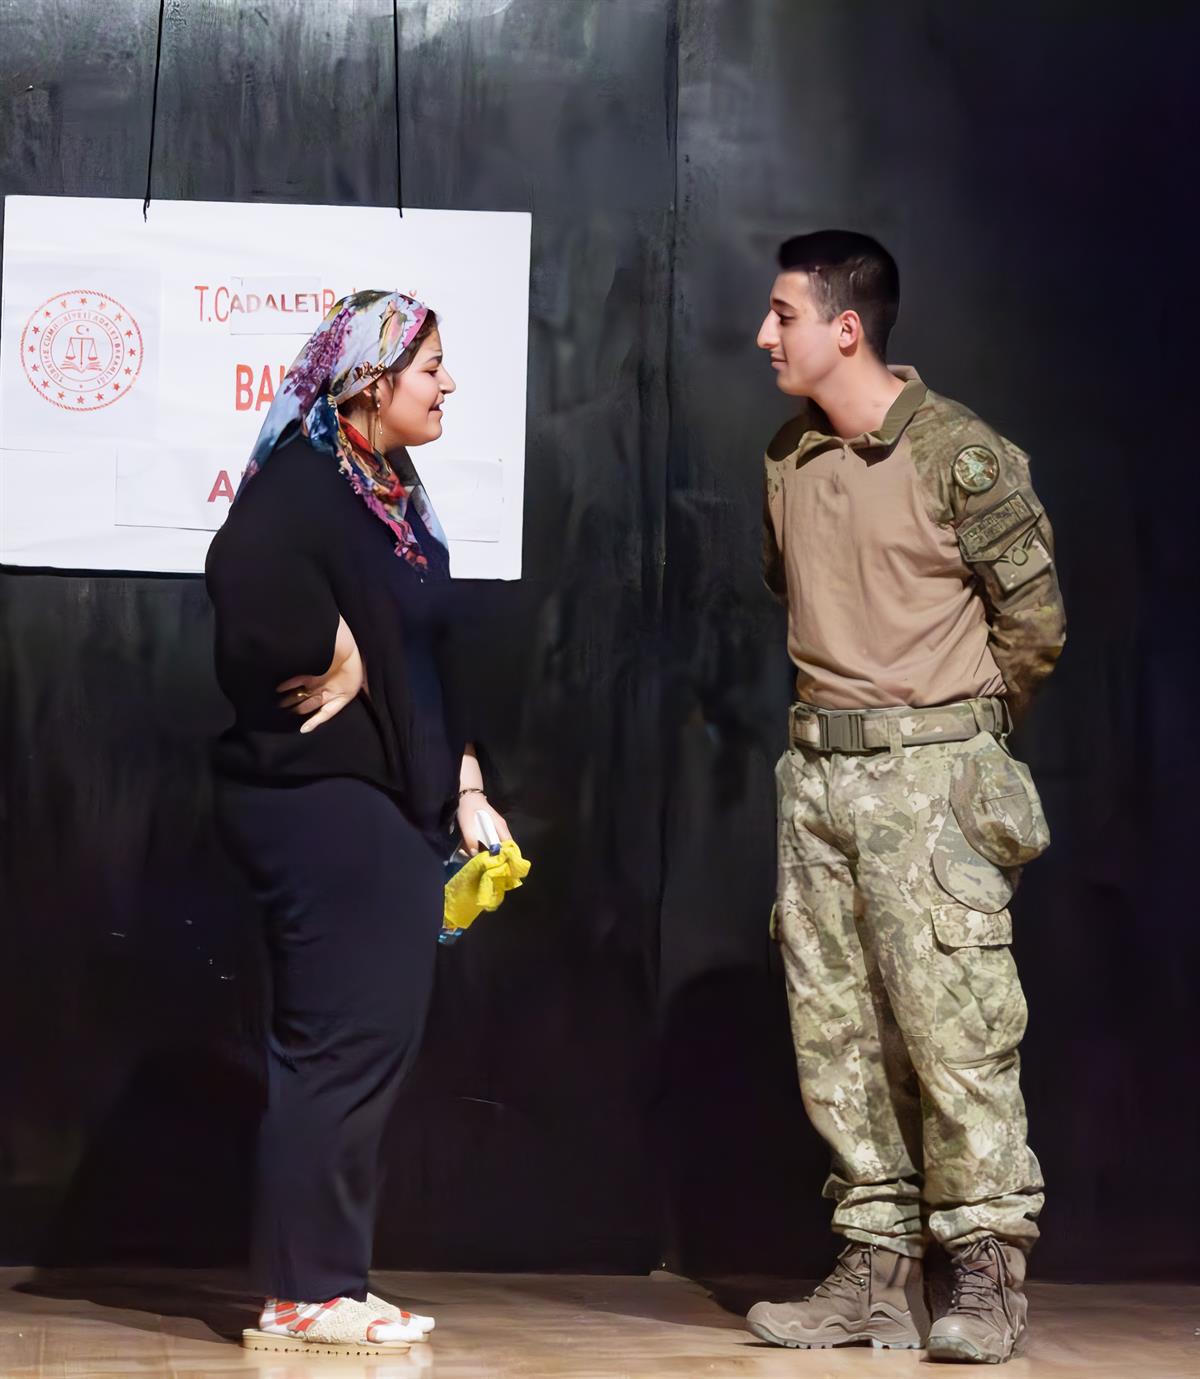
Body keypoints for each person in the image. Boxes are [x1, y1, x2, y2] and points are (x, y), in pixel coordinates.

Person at [745, 232, 1065, 1364]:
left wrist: (957, 738)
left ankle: (985, 1271)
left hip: (931, 776)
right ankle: (873, 1275)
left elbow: (1034, 624)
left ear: (847, 328)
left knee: (957, 1029)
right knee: (838, 1033)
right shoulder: (789, 456)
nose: (764, 334)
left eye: (784, 314)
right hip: (817, 778)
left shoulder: (957, 455)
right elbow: (796, 591)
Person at [206, 290, 510, 1356]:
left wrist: (465, 781)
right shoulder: (305, 480)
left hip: (385, 801)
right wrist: (331, 641)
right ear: (371, 382)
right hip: (318, 801)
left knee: (366, 1041)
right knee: (339, 1043)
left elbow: (429, 648)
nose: (448, 382)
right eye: (430, 366)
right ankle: (308, 1291)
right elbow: (239, 582)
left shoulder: (392, 490)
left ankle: (329, 1277)